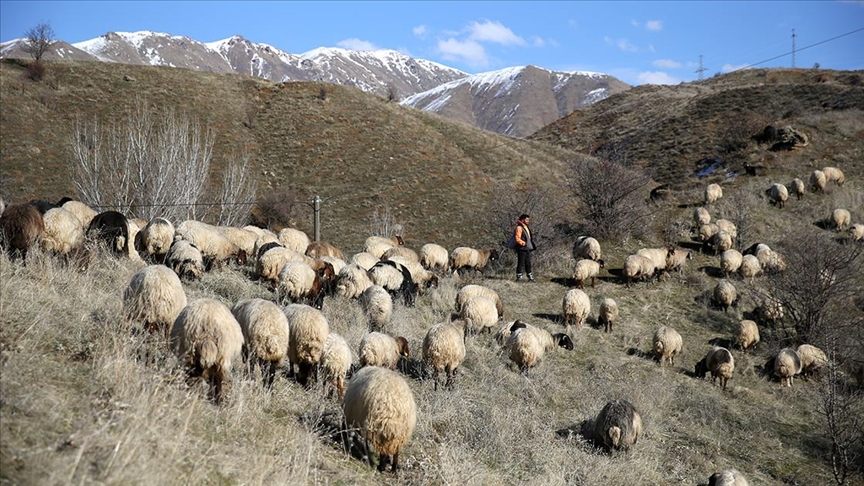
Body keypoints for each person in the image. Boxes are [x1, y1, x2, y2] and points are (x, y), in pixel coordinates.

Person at [512, 214, 536, 282]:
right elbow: (517, 238)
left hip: (526, 248)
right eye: (527, 219)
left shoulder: (525, 227)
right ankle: (519, 277)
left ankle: (530, 276)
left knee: (528, 263)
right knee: (521, 262)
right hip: (521, 248)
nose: (528, 221)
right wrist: (524, 243)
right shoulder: (519, 228)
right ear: (522, 220)